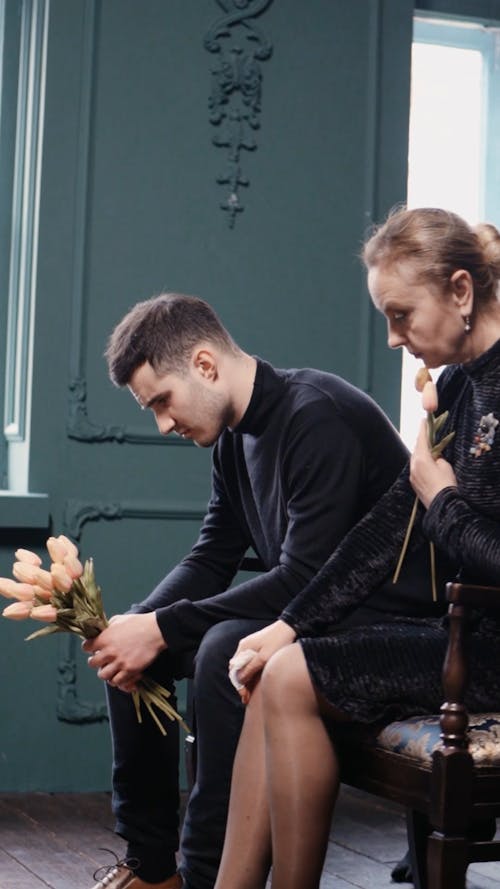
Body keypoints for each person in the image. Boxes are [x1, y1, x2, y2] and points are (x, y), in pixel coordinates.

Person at [213, 206, 500, 889]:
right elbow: (379, 533)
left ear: (461, 290)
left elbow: (463, 530)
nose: (395, 337)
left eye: (402, 314)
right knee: (270, 665)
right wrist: (285, 624)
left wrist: (444, 500)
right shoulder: (459, 385)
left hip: (487, 651)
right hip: (462, 638)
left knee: (289, 674)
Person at [83, 292, 408, 889]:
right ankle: (154, 868)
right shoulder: (234, 438)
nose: (163, 424)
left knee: (218, 648)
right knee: (133, 645)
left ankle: (208, 875)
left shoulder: (317, 415)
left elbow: (305, 579)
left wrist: (162, 627)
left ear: (205, 365)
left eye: (162, 401)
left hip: (385, 619)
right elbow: (212, 558)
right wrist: (141, 623)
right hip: (307, 609)